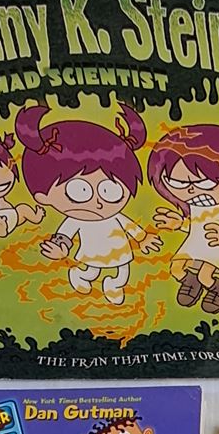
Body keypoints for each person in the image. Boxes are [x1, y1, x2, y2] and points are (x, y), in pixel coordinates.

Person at [15, 104, 161, 305]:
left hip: (120, 249)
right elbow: (64, 236)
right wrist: (60, 248)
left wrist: (143, 238)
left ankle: (115, 285)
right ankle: (80, 276)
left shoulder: (115, 217)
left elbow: (130, 227)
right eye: (80, 191)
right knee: (92, 269)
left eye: (110, 190)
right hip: (91, 252)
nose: (98, 203)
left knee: (122, 271)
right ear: (43, 196)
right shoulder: (75, 220)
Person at [147, 124, 219, 315]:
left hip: (216, 247)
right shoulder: (196, 206)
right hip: (194, 243)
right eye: (177, 183)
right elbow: (196, 225)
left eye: (204, 183)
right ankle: (191, 282)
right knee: (176, 268)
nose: (191, 190)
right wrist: (179, 224)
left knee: (205, 275)